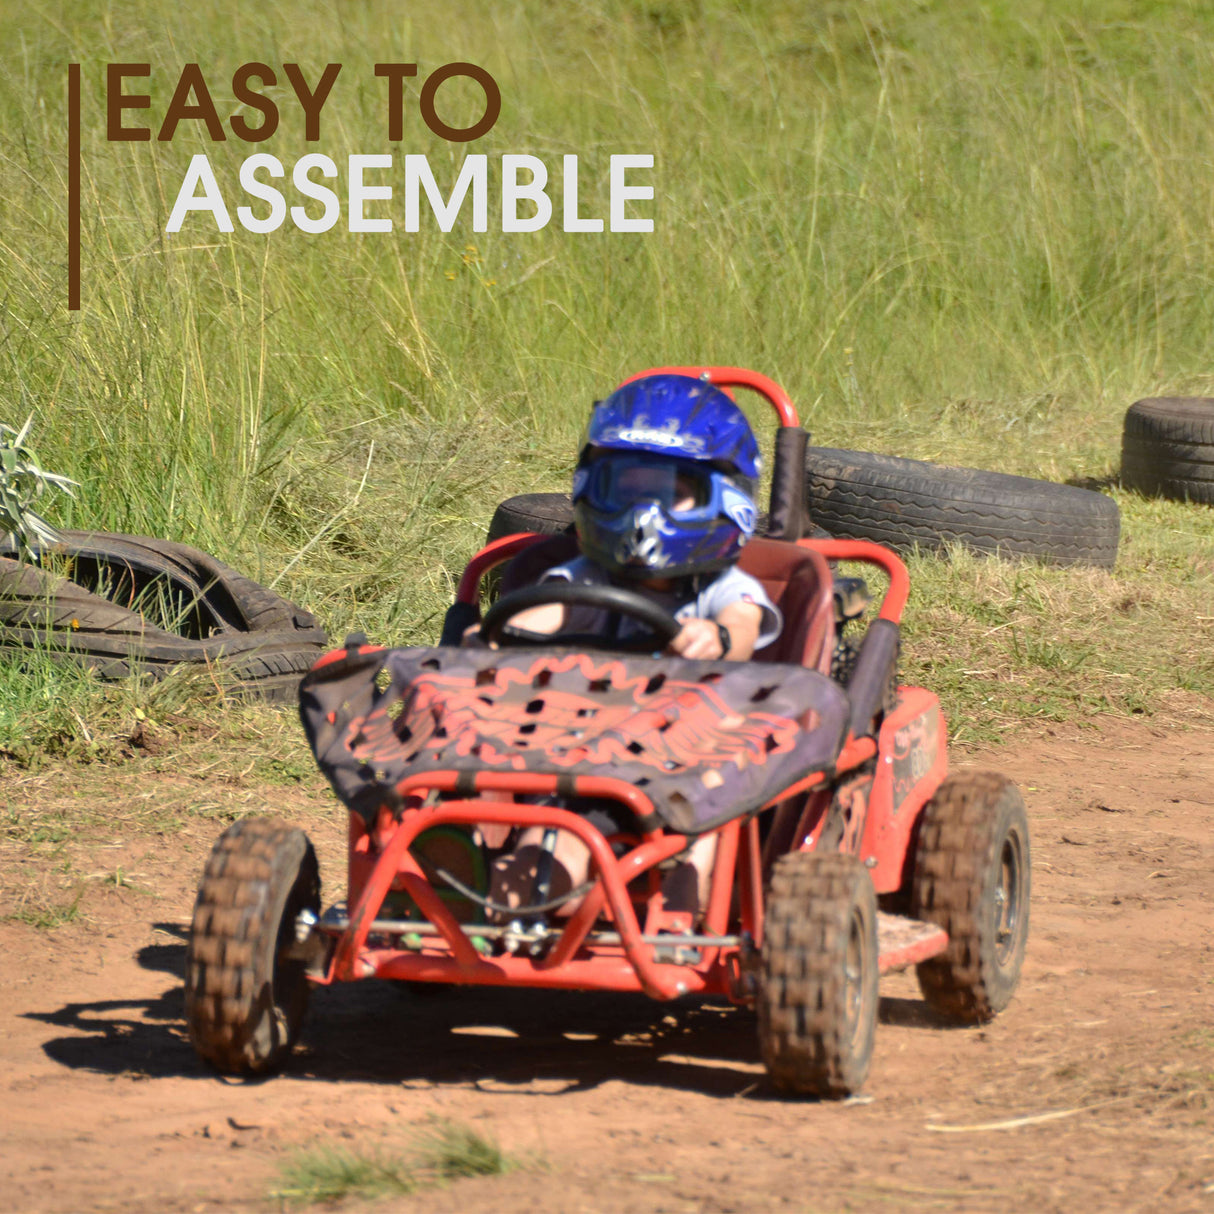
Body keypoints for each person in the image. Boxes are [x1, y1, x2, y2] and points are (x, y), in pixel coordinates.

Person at [486, 373, 782, 923]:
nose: (645, 512)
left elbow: (744, 622)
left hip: (688, 756)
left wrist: (717, 636)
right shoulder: (584, 573)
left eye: (673, 492)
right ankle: (495, 910)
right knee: (550, 842)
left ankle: (681, 911)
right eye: (627, 489)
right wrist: (504, 635)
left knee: (716, 777)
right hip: (585, 748)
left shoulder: (720, 588)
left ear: (726, 498)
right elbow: (551, 608)